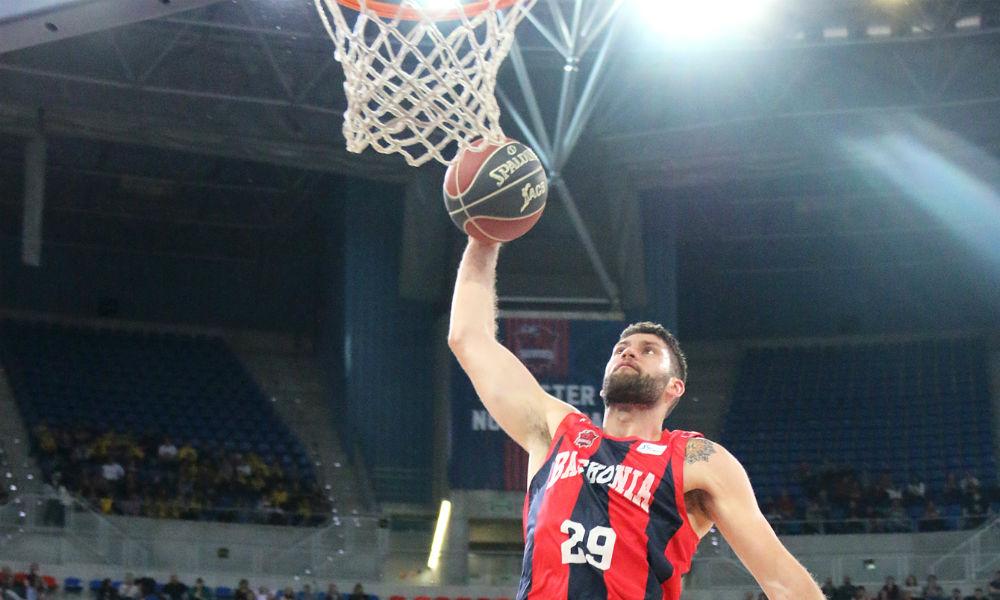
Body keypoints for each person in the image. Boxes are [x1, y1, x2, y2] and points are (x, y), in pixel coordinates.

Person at [447, 238, 824, 600]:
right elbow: (469, 338)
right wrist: (485, 239)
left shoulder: (698, 460)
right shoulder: (555, 430)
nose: (629, 353)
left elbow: (786, 585)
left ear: (675, 387)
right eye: (621, 349)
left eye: (648, 350)